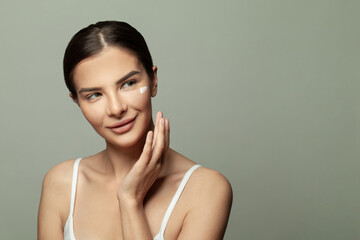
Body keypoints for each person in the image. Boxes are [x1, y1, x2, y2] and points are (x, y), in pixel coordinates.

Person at [37, 21, 232, 240]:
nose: (116, 108)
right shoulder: (61, 183)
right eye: (94, 95)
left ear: (153, 80)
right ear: (77, 101)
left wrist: (130, 200)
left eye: (128, 83)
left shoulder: (206, 190)